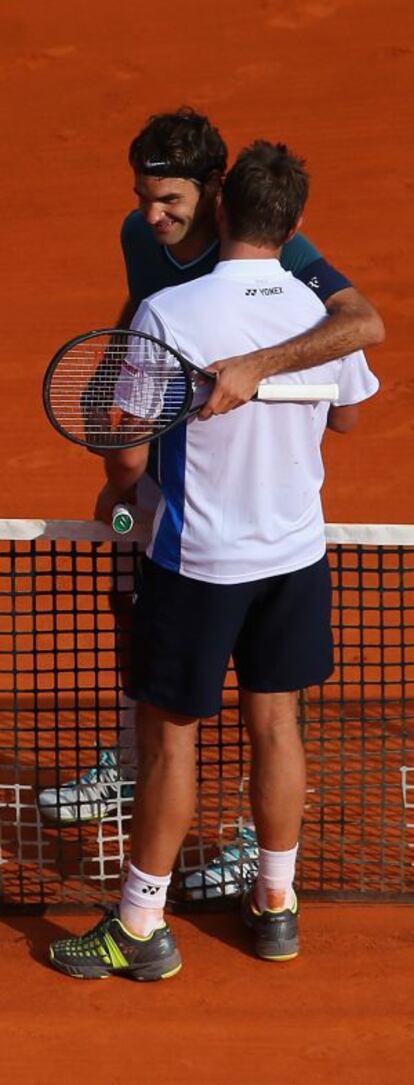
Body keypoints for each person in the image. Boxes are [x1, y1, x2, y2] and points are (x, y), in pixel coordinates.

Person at [48, 139, 379, 979]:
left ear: (221, 207)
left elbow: (126, 452)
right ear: (297, 223)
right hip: (296, 555)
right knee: (278, 724)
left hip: (197, 561)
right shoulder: (322, 318)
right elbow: (347, 419)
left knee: (170, 743)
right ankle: (275, 905)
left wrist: (122, 492)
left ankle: (138, 926)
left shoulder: (173, 313)